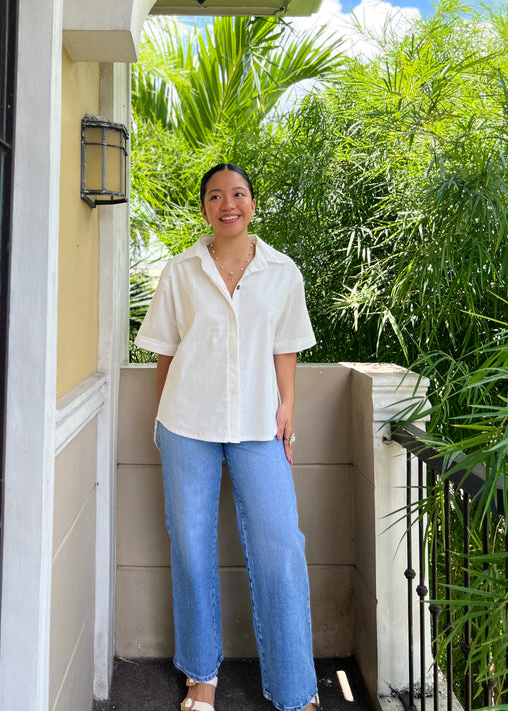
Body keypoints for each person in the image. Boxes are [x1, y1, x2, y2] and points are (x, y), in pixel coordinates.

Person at [135, 163, 320, 711]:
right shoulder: (181, 271)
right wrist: (160, 418)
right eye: (215, 196)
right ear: (204, 209)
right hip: (185, 424)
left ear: (253, 204)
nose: (227, 204)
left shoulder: (281, 271)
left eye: (237, 194)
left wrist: (288, 405)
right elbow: (165, 351)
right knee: (191, 549)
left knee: (281, 547)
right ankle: (200, 675)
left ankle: (294, 688)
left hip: (260, 425)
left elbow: (285, 345)